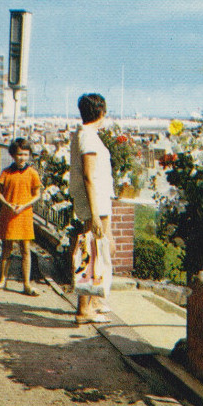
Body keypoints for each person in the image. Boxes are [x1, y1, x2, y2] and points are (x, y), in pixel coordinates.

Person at [70, 93, 115, 324]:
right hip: (94, 204)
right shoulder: (87, 137)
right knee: (92, 252)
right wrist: (95, 215)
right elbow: (88, 176)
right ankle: (83, 309)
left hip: (99, 202)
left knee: (106, 248)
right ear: (100, 112)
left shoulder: (87, 135)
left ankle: (93, 299)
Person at [0, 138, 43, 295]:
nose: (22, 158)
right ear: (13, 155)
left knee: (25, 249)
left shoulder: (32, 173)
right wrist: (8, 204)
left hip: (24, 214)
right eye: (19, 154)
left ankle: (26, 284)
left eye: (25, 154)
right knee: (6, 248)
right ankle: (2, 280)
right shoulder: (6, 172)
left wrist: (24, 205)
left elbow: (37, 194)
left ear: (29, 155)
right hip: (9, 214)